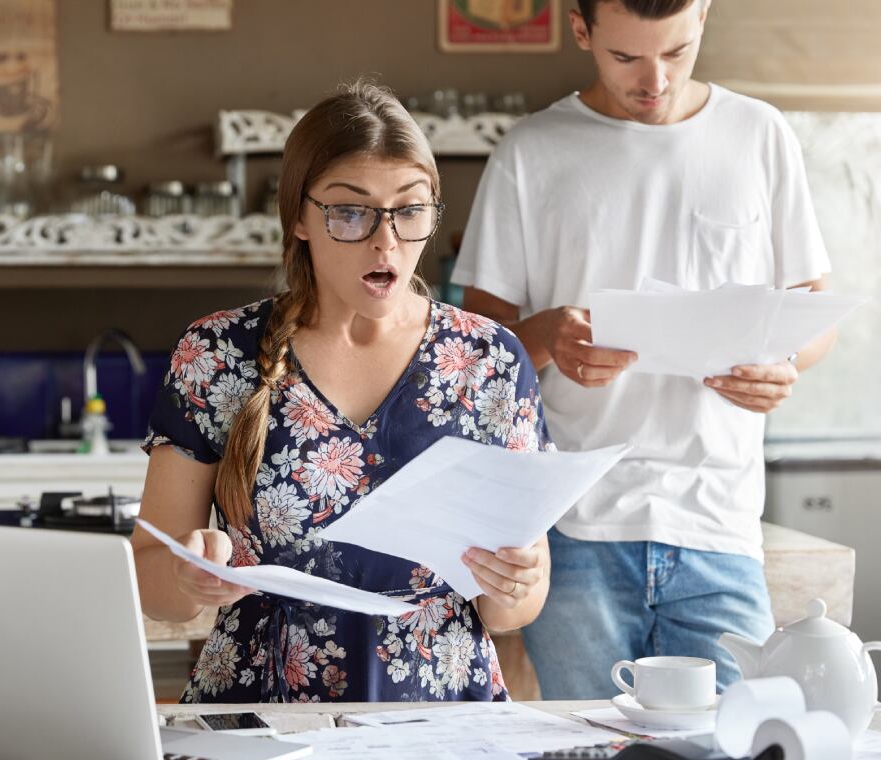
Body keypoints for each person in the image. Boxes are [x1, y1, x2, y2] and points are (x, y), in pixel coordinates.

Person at [452, 0, 836, 699]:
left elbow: (815, 312)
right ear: (581, 30)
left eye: (676, 52)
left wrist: (784, 364)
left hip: (719, 522)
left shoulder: (759, 133)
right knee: (590, 752)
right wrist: (548, 335)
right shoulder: (531, 150)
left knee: (733, 744)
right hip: (574, 528)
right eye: (626, 57)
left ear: (703, 18)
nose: (654, 81)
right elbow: (476, 345)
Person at [132, 81, 553, 703]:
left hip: (443, 717)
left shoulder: (491, 360)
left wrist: (517, 582)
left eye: (410, 209)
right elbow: (150, 578)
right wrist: (186, 576)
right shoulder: (217, 352)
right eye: (351, 212)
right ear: (299, 218)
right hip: (262, 712)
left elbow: (513, 609)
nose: (387, 241)